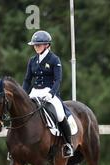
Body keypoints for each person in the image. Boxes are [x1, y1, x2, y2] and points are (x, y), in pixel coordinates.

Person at [22, 30, 73, 158]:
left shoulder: (54, 59)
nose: (36, 47)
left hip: (50, 91)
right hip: (35, 92)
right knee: (22, 112)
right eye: (35, 45)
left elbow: (58, 80)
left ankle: (68, 145)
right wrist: (23, 94)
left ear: (47, 45)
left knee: (61, 115)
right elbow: (27, 80)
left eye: (39, 44)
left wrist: (51, 94)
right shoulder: (32, 60)